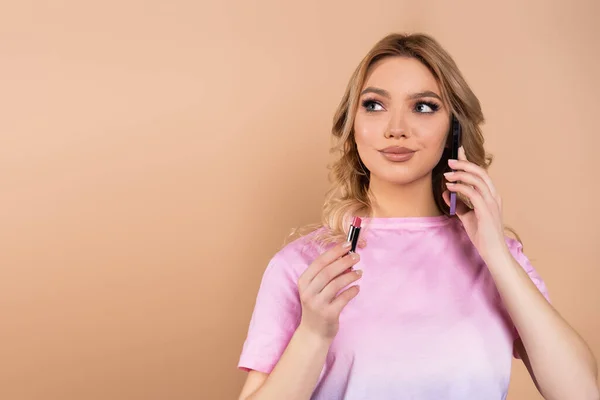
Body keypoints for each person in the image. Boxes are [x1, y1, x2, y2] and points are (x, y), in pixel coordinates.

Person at [236, 33, 599, 400]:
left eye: (423, 107)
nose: (397, 128)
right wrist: (313, 334)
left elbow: (582, 393)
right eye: (374, 105)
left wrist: (498, 257)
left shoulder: (497, 258)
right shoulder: (302, 266)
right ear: (352, 129)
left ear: (452, 131)